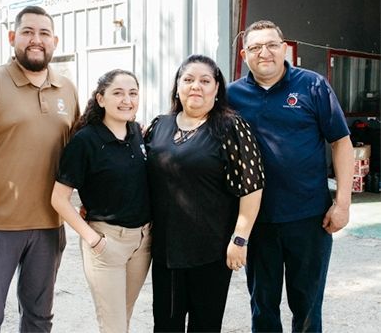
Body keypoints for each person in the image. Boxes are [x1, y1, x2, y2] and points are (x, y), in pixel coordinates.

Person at [0, 5, 80, 332]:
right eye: (28, 32)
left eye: (44, 33)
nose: (36, 40)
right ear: (12, 38)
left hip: (49, 227)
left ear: (55, 41)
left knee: (39, 320)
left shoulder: (67, 89)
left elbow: (80, 155)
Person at [227, 20, 354, 332]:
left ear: (284, 48)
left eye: (271, 45)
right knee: (263, 305)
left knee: (308, 304)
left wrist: (343, 203)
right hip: (258, 221)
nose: (264, 52)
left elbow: (341, 142)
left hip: (310, 218)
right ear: (245, 55)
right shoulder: (231, 96)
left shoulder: (312, 85)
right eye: (255, 47)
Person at [144, 54, 264, 333]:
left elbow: (252, 187)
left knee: (205, 326)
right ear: (177, 87)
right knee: (165, 325)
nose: (195, 86)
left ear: (217, 88)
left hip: (211, 250)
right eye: (188, 79)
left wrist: (240, 238)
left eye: (205, 80)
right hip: (166, 252)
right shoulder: (159, 126)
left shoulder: (231, 127)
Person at [51, 69, 152, 333]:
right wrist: (94, 240)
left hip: (142, 243)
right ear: (101, 99)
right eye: (117, 93)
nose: (126, 100)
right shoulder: (86, 141)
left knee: (122, 318)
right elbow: (59, 199)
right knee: (113, 326)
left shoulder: (137, 133)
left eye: (133, 93)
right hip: (107, 243)